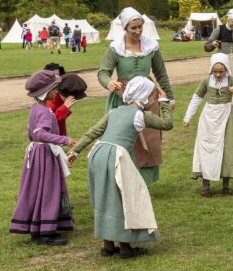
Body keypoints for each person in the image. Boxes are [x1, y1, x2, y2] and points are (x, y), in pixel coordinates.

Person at [68, 77, 173, 259]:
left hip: (98, 153)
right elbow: (167, 124)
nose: (153, 99)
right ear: (145, 96)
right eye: (152, 96)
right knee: (123, 198)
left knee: (104, 198)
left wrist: (75, 151)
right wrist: (164, 102)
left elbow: (93, 131)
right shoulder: (141, 115)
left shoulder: (114, 111)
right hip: (116, 156)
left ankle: (108, 246)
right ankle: (125, 247)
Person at [97, 7, 174, 186]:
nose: (138, 31)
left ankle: (144, 183)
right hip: (123, 96)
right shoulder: (115, 48)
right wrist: (109, 83)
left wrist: (169, 98)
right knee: (124, 139)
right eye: (133, 28)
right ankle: (122, 180)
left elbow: (161, 74)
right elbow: (103, 72)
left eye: (140, 27)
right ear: (125, 27)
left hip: (149, 97)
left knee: (149, 137)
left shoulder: (151, 46)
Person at [9, 70, 76, 246]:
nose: (57, 91)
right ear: (47, 91)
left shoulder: (36, 109)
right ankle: (46, 232)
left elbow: (30, 132)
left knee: (37, 190)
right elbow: (39, 134)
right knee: (49, 190)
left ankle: (37, 229)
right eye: (55, 88)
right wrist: (64, 140)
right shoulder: (44, 112)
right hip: (44, 156)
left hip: (37, 155)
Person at [183, 53, 233, 197]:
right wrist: (188, 117)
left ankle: (226, 185)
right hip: (208, 118)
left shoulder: (231, 79)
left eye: (221, 71)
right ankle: (205, 185)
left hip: (226, 117)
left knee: (227, 148)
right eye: (215, 71)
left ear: (226, 70)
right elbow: (196, 98)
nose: (218, 74)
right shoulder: (206, 81)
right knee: (206, 149)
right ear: (211, 70)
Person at [204, 8, 233, 135]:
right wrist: (213, 44)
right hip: (221, 62)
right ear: (228, 20)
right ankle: (219, 125)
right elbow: (206, 47)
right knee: (220, 91)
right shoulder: (219, 29)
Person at [44, 63, 87, 137]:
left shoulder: (60, 94)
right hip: (50, 138)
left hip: (58, 137)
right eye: (54, 74)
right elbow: (50, 122)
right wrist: (64, 108)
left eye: (58, 74)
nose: (57, 77)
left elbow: (60, 120)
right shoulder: (49, 99)